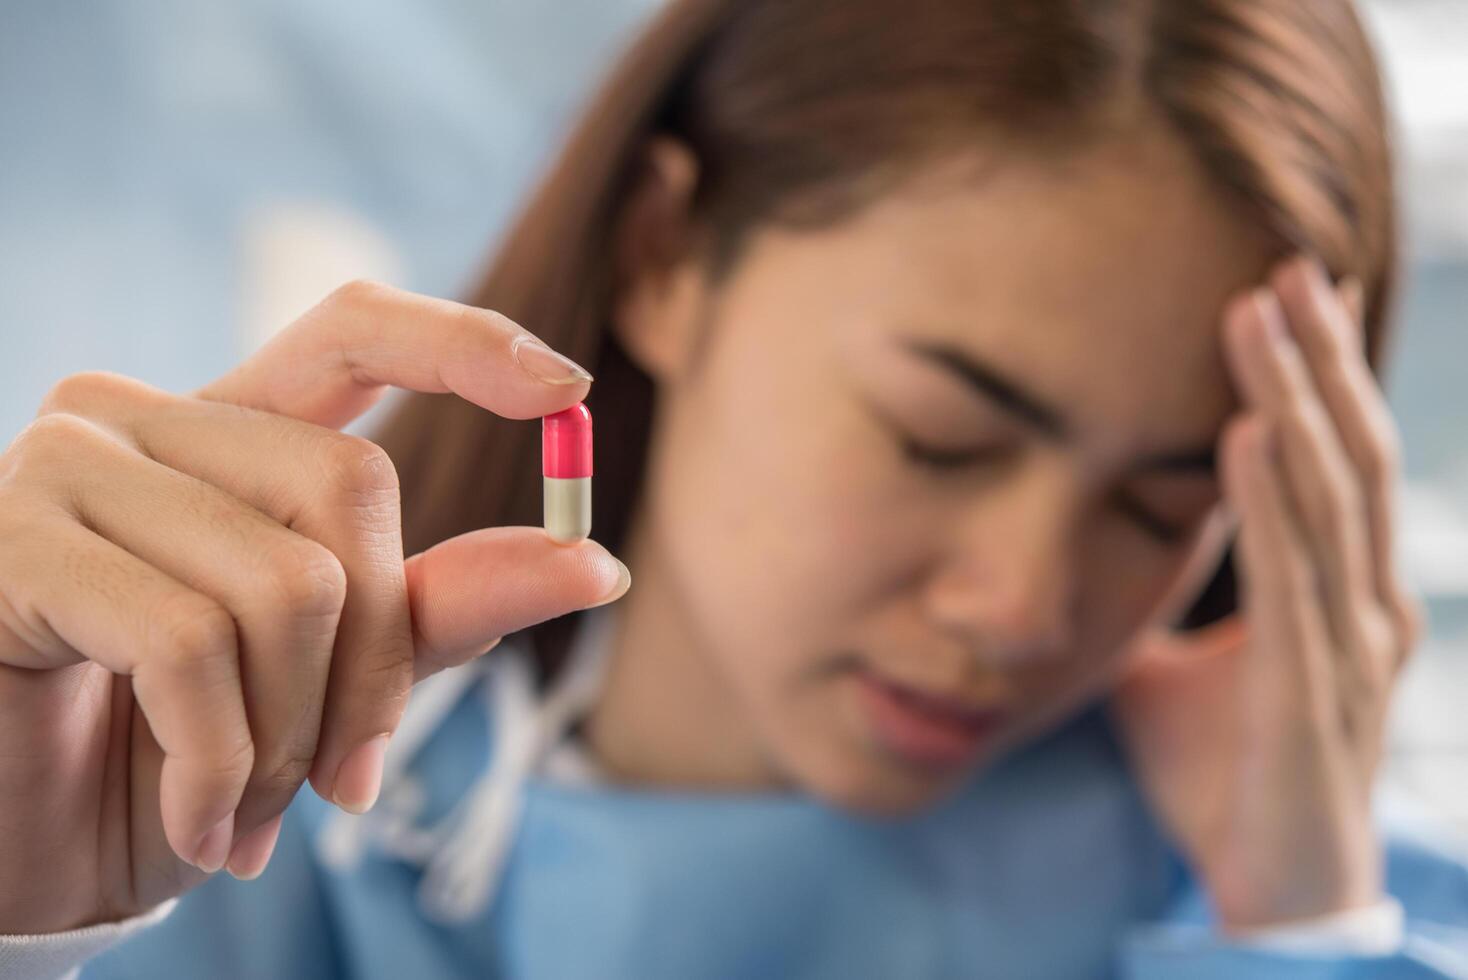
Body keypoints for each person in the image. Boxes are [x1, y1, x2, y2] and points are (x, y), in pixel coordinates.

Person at [2, 0, 1465, 976]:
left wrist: (1301, 929)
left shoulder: (1330, 901)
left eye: (1162, 502)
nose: (1023, 607)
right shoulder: (240, 843)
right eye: (940, 437)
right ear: (662, 257)